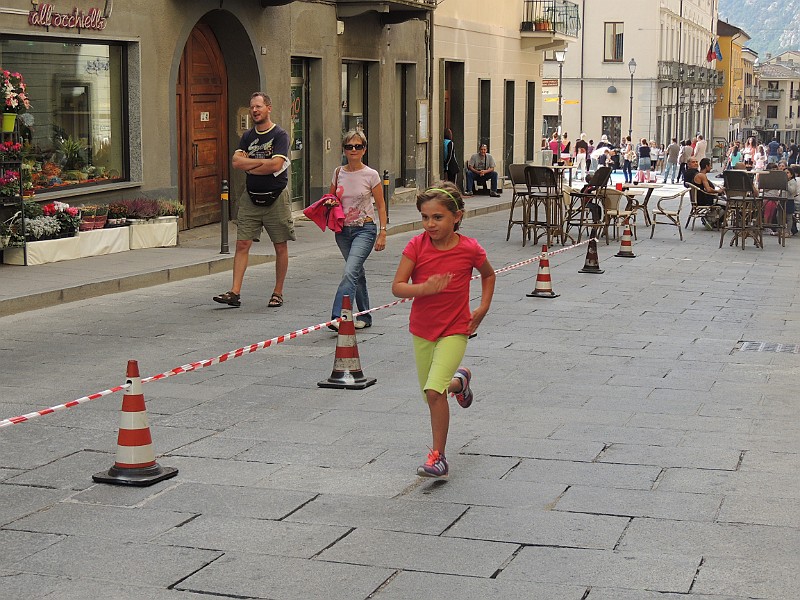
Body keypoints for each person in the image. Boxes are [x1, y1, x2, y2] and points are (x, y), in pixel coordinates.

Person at [391, 182, 495, 478]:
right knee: (431, 394)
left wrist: (483, 308)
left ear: (456, 217)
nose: (430, 224)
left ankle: (438, 457)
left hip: (456, 329)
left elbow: (488, 275)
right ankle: (459, 383)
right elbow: (397, 286)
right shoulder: (416, 245)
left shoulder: (469, 248)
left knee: (434, 391)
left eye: (437, 217)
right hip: (422, 329)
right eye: (425, 217)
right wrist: (423, 288)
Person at [213, 92, 293, 309]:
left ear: (269, 108)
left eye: (259, 106)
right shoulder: (248, 136)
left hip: (276, 196)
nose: (255, 111)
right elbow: (236, 162)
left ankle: (278, 292)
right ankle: (234, 292)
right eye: (252, 107)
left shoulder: (280, 135)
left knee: (280, 245)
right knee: (242, 243)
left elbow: (276, 165)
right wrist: (262, 164)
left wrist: (251, 165)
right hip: (251, 196)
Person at [327, 129, 387, 331]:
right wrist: (328, 205)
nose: (353, 150)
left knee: (349, 272)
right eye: (349, 146)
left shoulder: (371, 175)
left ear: (364, 149)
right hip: (343, 231)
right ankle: (365, 316)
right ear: (344, 149)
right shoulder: (338, 173)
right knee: (356, 273)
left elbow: (381, 205)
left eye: (358, 146)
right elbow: (331, 198)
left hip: (365, 230)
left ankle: (339, 316)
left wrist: (383, 232)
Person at [692, 158, 727, 230]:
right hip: (705, 200)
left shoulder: (700, 175)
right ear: (706, 166)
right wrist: (718, 191)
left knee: (724, 200)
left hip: (703, 198)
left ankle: (716, 220)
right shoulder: (702, 175)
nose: (711, 167)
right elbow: (708, 189)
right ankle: (710, 219)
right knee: (727, 204)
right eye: (710, 165)